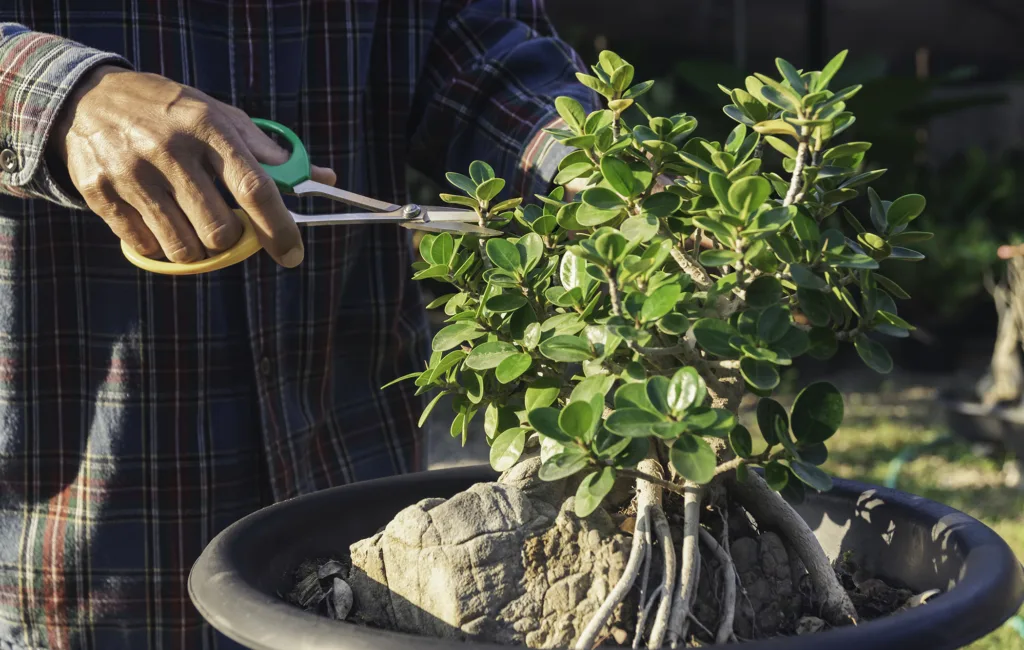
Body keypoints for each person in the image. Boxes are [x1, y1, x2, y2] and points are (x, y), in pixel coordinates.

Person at [0, 3, 592, 648]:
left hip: (356, 510)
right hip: (66, 546)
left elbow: (481, 45)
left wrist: (597, 169)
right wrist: (58, 96)